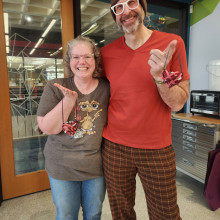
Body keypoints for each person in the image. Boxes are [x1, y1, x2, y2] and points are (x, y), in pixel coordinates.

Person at [101, 0, 190, 219]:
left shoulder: (172, 43)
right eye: (118, 8)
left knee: (166, 214)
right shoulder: (106, 53)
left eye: (131, 2)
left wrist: (160, 78)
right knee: (121, 213)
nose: (126, 12)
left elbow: (178, 103)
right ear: (114, 16)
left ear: (143, 6)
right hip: (114, 147)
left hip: (156, 149)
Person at [37, 35, 110, 220]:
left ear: (95, 60)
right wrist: (69, 101)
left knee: (94, 214)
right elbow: (47, 127)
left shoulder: (106, 88)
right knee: (67, 215)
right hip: (61, 165)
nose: (82, 62)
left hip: (95, 167)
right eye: (76, 57)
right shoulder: (56, 87)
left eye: (87, 56)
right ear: (69, 60)